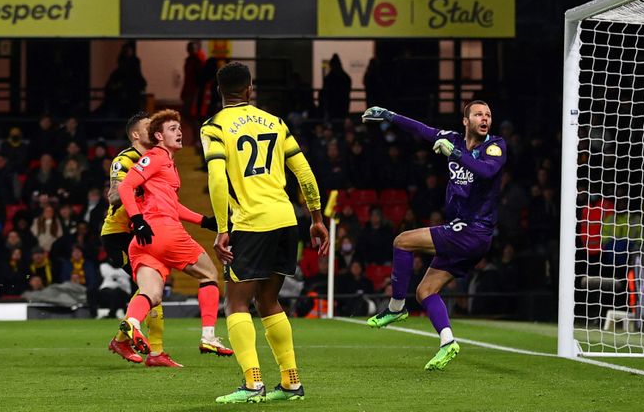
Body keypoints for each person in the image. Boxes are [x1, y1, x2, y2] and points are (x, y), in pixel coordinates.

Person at [201, 62, 329, 403]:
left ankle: (253, 383)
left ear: (218, 91)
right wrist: (316, 217)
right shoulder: (275, 122)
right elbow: (304, 171)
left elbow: (216, 179)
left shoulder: (213, 127)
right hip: (286, 220)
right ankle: (290, 382)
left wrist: (222, 229)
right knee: (268, 299)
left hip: (250, 222)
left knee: (236, 302)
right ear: (249, 88)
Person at [361, 100, 506, 370]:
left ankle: (395, 307)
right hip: (463, 232)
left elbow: (488, 171)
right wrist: (390, 115)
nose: (484, 118)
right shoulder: (452, 139)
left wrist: (456, 155)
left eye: (488, 114)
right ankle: (447, 342)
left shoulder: (494, 146)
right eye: (478, 114)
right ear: (465, 121)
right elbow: (421, 129)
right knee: (426, 291)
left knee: (402, 241)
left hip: (473, 231)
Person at [116, 109, 231, 364]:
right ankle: (209, 336)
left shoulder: (167, 163)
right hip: (162, 230)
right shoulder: (156, 157)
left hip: (143, 241)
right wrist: (137, 219)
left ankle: (132, 323)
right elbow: (125, 185)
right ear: (158, 135)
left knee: (151, 293)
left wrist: (204, 221)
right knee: (209, 274)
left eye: (179, 128)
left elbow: (173, 205)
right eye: (172, 129)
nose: (178, 132)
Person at [101, 112, 179, 367]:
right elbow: (114, 196)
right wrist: (137, 185)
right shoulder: (125, 159)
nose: (156, 129)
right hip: (119, 233)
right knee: (149, 290)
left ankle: (136, 345)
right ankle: (150, 351)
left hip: (143, 232)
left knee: (152, 290)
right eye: (149, 126)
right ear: (136, 134)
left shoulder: (157, 159)